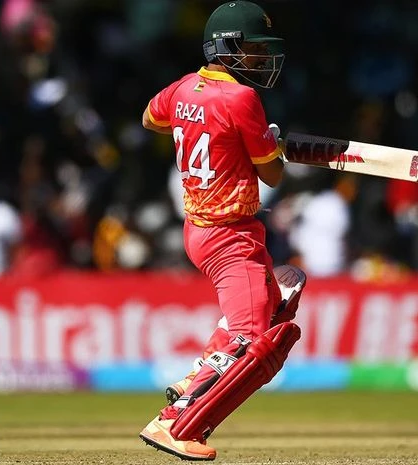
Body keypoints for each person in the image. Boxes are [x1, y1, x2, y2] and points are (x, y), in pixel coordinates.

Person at [138, 1, 307, 460]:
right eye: (253, 49)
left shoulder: (181, 88)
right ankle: (182, 424)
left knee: (274, 310)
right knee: (257, 340)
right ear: (228, 47)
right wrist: (266, 142)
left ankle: (190, 386)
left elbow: (151, 119)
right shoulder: (241, 99)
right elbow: (272, 175)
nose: (259, 59)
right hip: (231, 235)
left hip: (199, 228)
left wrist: (207, 130)